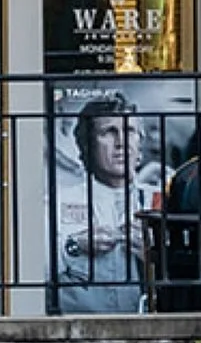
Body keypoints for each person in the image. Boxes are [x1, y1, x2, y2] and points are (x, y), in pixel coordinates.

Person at [57, 93, 155, 314]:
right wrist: (72, 248)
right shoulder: (58, 202)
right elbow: (29, 274)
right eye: (109, 132)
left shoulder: (160, 201)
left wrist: (157, 253)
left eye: (129, 131)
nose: (121, 143)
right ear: (87, 145)